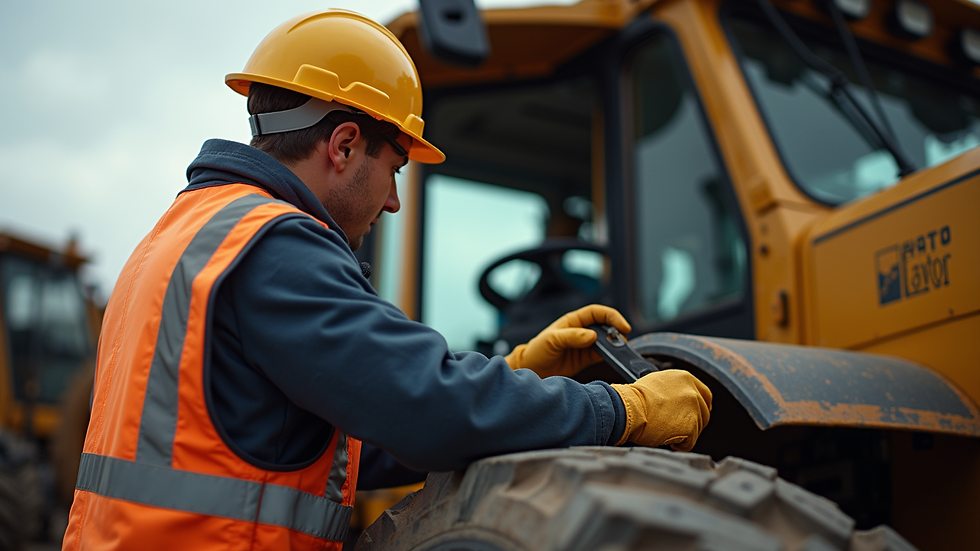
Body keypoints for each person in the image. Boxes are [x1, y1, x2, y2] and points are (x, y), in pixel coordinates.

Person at [62, 9, 712, 551]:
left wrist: (512, 367)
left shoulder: (184, 233)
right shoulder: (276, 247)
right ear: (343, 146)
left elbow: (338, 446)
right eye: (395, 165)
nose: (395, 199)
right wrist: (621, 409)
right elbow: (427, 408)